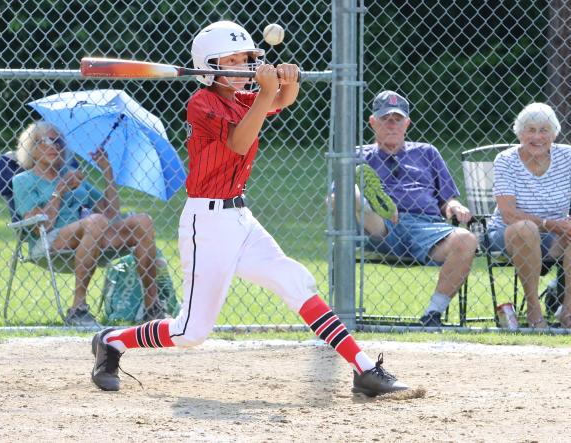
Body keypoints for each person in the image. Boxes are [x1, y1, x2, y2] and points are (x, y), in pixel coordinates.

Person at [90, 20, 408, 396]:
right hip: (206, 224)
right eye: (236, 60)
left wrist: (288, 81)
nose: (245, 65)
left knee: (295, 282)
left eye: (248, 58)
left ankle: (364, 367)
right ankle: (111, 340)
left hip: (240, 218)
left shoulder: (240, 98)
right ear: (212, 66)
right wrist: (266, 92)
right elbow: (240, 141)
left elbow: (281, 100)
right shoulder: (201, 104)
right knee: (191, 332)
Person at [13, 121, 160, 327]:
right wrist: (60, 190)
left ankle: (152, 307)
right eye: (49, 141)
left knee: (143, 221)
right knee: (96, 222)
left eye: (60, 143)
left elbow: (111, 213)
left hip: (92, 237)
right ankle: (78, 308)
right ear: (32, 147)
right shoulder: (23, 181)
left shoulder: (73, 178)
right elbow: (41, 228)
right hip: (49, 241)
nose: (56, 147)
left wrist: (107, 172)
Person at [353, 90, 477, 327]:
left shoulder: (427, 152)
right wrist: (360, 199)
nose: (392, 124)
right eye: (385, 119)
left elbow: (447, 199)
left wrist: (456, 206)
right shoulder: (359, 155)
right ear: (372, 122)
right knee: (350, 194)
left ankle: (432, 314)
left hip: (427, 229)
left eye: (397, 119)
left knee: (466, 239)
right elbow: (336, 197)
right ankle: (375, 204)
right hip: (380, 229)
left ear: (407, 123)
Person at [487, 102, 571, 328]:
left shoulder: (568, 157)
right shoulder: (506, 160)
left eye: (544, 130)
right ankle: (534, 311)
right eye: (530, 130)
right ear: (519, 132)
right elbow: (508, 213)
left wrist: (563, 225)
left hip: (555, 236)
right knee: (526, 228)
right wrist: (550, 223)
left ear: (554, 133)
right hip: (509, 233)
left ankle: (568, 312)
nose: (537, 137)